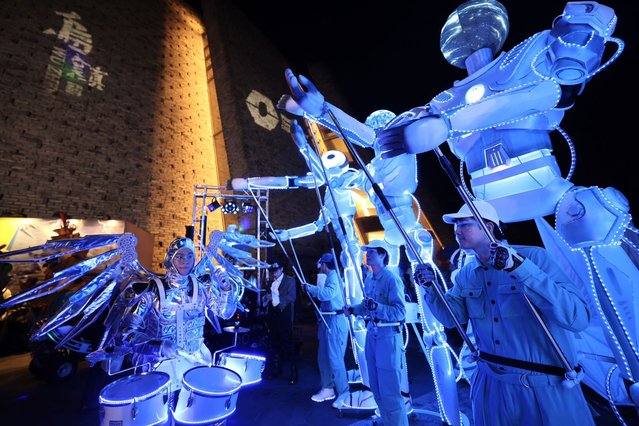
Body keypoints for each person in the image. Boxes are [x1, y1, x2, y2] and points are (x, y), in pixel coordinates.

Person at [414, 200, 595, 426]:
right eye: (456, 226)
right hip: (491, 385)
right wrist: (431, 289)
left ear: (488, 227)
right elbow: (453, 320)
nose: (457, 231)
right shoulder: (465, 274)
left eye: (465, 225)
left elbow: (577, 318)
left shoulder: (534, 257)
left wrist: (519, 268)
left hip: (543, 385)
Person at [344, 240, 408, 426]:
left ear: (382, 255)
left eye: (371, 252)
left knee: (390, 391)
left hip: (388, 337)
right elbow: (366, 307)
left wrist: (377, 307)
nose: (367, 255)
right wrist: (354, 309)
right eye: (367, 252)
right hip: (372, 335)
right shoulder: (369, 279)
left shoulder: (391, 279)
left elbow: (400, 312)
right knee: (377, 388)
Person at [303, 252, 350, 408]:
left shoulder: (334, 277)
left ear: (324, 264)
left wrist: (311, 288)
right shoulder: (329, 277)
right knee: (323, 358)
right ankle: (327, 388)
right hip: (327, 319)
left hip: (335, 321)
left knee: (335, 360)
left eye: (320, 264)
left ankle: (344, 393)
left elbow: (328, 294)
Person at [263, 259, 298, 385]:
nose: (274, 273)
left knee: (287, 344)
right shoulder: (270, 282)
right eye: (272, 271)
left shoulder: (290, 280)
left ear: (281, 269)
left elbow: (292, 297)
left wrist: (274, 298)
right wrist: (266, 298)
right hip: (273, 315)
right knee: (274, 344)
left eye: (276, 270)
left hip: (285, 314)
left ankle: (293, 372)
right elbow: (267, 295)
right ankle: (276, 370)